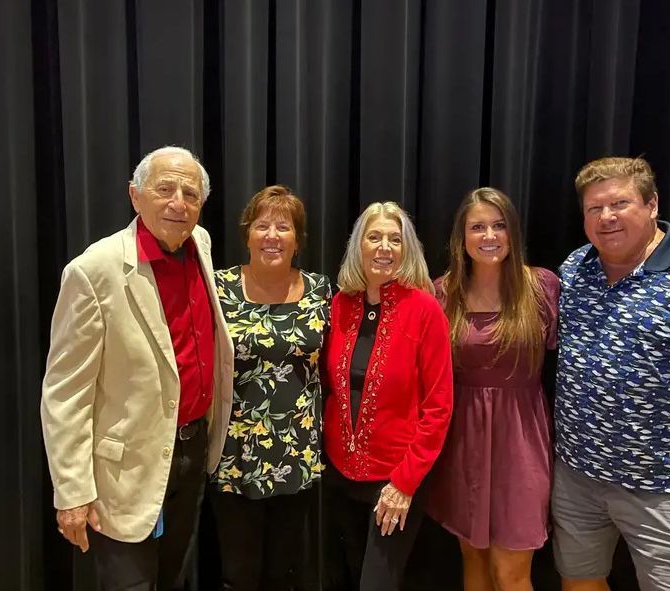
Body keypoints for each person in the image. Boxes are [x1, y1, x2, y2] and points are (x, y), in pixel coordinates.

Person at [40, 146, 233, 590]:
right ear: (135, 196)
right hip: (124, 472)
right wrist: (72, 492)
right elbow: (65, 393)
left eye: (190, 193)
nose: (178, 203)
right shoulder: (94, 271)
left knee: (171, 580)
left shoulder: (198, 243)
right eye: (164, 189)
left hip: (190, 454)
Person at [553, 156, 670, 591]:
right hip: (578, 475)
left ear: (652, 205)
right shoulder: (576, 269)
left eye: (619, 203)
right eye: (594, 209)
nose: (606, 217)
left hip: (666, 489)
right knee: (578, 581)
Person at [427, 188, 560, 591]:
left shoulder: (541, 287)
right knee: (474, 558)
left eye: (499, 226)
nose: (489, 235)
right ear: (461, 237)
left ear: (513, 233)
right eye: (478, 227)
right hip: (463, 438)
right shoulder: (441, 292)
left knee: (512, 570)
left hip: (521, 437)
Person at [322, 201, 454, 591]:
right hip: (340, 475)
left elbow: (438, 407)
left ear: (407, 249)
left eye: (395, 239)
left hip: (394, 481)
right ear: (357, 247)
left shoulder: (425, 309)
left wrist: (404, 483)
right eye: (374, 237)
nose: (384, 247)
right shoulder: (342, 304)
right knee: (344, 577)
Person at [208, 185, 330, 591]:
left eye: (284, 227)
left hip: (297, 450)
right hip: (234, 452)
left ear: (298, 241)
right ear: (247, 236)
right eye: (262, 226)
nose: (272, 236)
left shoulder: (321, 292)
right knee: (238, 575)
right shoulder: (218, 289)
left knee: (285, 574)